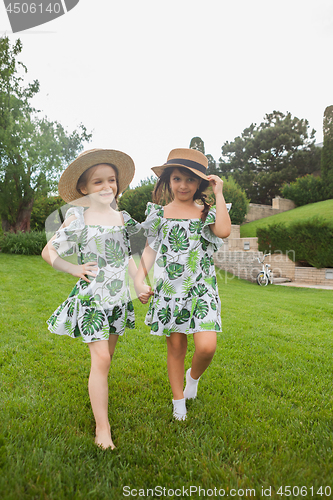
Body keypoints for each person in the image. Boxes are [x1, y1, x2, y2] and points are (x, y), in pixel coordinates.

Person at [42, 149, 150, 449]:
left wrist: (139, 283)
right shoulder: (78, 217)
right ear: (84, 188)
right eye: (98, 181)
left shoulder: (122, 218)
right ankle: (103, 429)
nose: (106, 187)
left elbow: (129, 255)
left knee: (105, 360)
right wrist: (74, 268)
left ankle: (97, 389)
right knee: (101, 358)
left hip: (117, 298)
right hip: (91, 298)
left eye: (111, 180)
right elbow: (48, 251)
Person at [135, 148, 231, 421]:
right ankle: (179, 402)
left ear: (200, 183)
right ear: (168, 181)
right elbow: (150, 251)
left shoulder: (206, 212)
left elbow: (224, 231)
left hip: (201, 289)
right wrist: (140, 280)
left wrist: (219, 193)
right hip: (170, 291)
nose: (184, 185)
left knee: (206, 347)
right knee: (176, 348)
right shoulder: (160, 214)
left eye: (190, 180)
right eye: (177, 178)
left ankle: (193, 377)